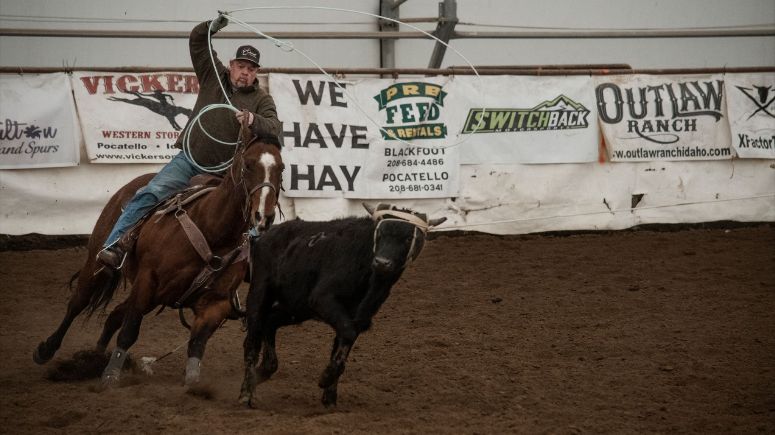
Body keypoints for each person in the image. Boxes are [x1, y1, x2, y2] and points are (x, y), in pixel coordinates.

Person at [97, 14, 282, 269]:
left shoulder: (261, 100)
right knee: (152, 192)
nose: (245, 73)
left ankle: (250, 264)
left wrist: (253, 119)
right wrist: (211, 27)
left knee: (253, 210)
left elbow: (275, 128)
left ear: (256, 73)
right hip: (190, 160)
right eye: (241, 66)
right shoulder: (213, 75)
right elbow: (198, 41)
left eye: (251, 69)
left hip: (227, 173)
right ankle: (115, 245)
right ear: (232, 65)